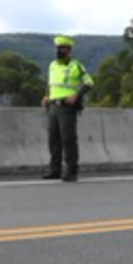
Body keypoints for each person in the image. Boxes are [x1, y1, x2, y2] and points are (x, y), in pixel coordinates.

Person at [40, 35, 94, 182]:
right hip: (52, 106)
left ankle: (71, 170)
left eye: (62, 48)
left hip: (67, 107)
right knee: (53, 140)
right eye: (57, 48)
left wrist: (76, 95)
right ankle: (55, 169)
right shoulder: (52, 65)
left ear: (69, 50)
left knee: (68, 139)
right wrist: (46, 96)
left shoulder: (76, 66)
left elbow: (89, 83)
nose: (59, 51)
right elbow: (50, 84)